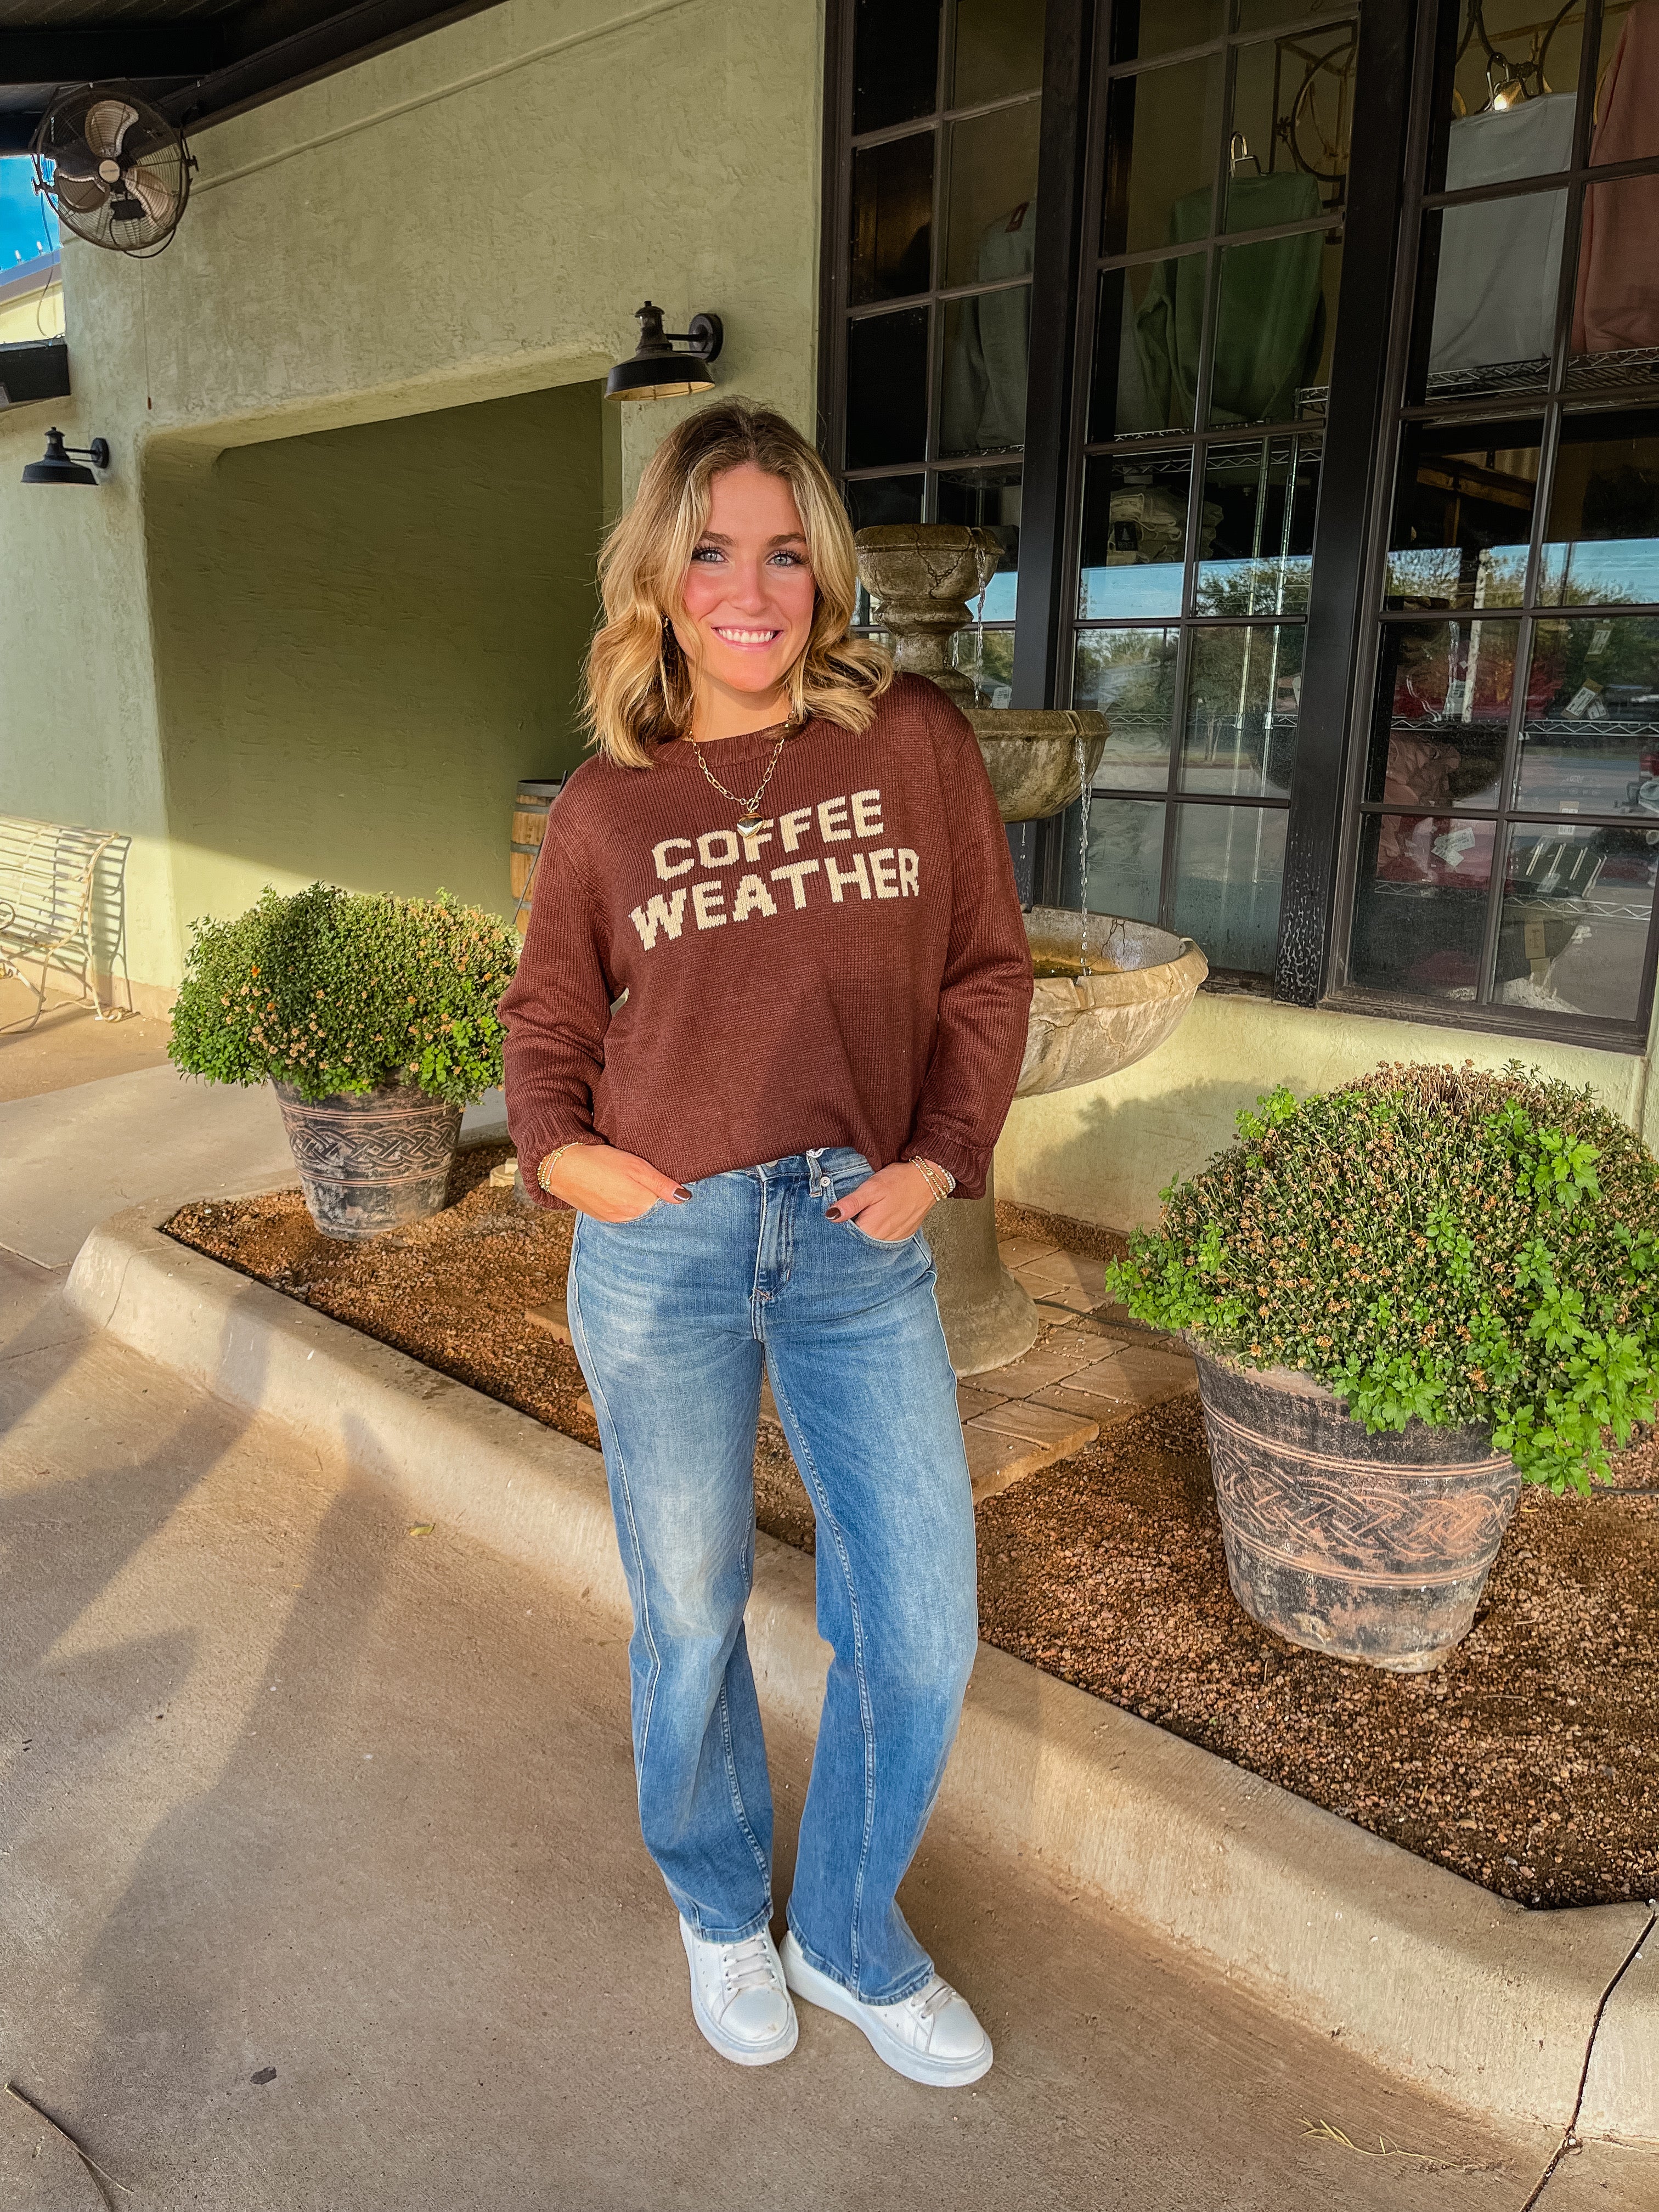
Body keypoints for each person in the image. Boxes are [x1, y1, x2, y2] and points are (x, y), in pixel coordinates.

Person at [500, 397, 1032, 2086]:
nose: (753, 587)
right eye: (714, 552)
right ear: (659, 580)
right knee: (692, 1602)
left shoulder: (914, 742)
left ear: (827, 571)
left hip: (854, 1238)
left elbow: (989, 975)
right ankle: (724, 1906)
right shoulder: (609, 805)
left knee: (922, 1620)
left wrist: (943, 1161)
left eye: (786, 550)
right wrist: (567, 1163)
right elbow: (544, 1024)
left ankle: (854, 1936)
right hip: (664, 1248)